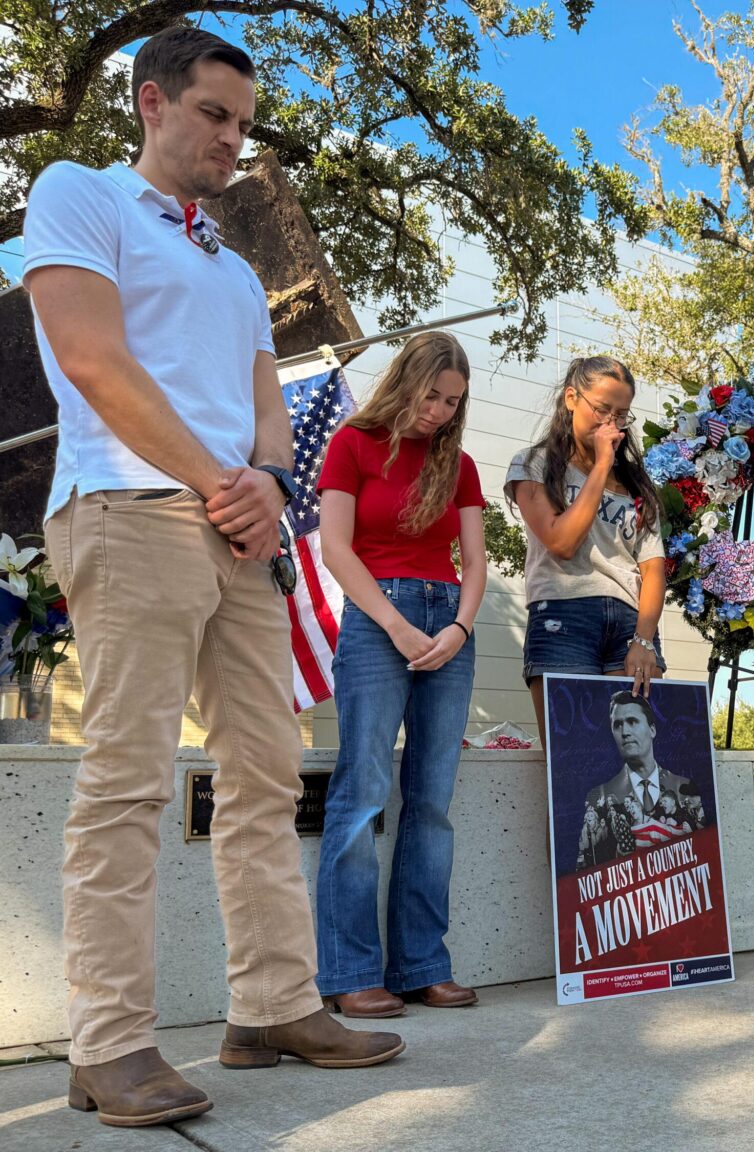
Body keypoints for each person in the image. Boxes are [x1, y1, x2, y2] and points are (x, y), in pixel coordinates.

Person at [23, 27, 401, 1127]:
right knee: (130, 778)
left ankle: (275, 1005)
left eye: (243, 123)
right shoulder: (79, 195)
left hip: (243, 537)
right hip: (128, 509)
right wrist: (216, 481)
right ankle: (109, 1043)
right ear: (152, 103)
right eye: (214, 116)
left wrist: (269, 486)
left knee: (268, 776)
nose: (234, 140)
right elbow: (92, 359)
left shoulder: (236, 268)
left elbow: (268, 410)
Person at [313, 331, 487, 1017]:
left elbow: (474, 562)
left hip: (449, 621)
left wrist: (459, 629)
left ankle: (421, 964)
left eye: (453, 402)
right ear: (407, 379)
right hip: (377, 620)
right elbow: (334, 547)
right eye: (434, 395)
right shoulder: (352, 443)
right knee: (362, 792)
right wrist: (395, 624)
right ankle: (352, 973)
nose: (441, 411)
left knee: (432, 802)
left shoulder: (461, 465)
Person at [506, 356, 665, 744]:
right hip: (564, 615)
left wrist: (644, 640)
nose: (611, 423)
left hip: (631, 623)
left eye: (621, 415)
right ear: (571, 398)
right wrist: (600, 466)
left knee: (628, 763)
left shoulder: (637, 484)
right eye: (602, 409)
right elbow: (562, 542)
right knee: (571, 763)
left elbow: (654, 568)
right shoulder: (533, 463)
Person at [584, 690, 692, 857]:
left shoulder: (684, 787)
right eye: (617, 725)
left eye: (632, 721)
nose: (625, 732)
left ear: (652, 730)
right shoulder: (599, 795)